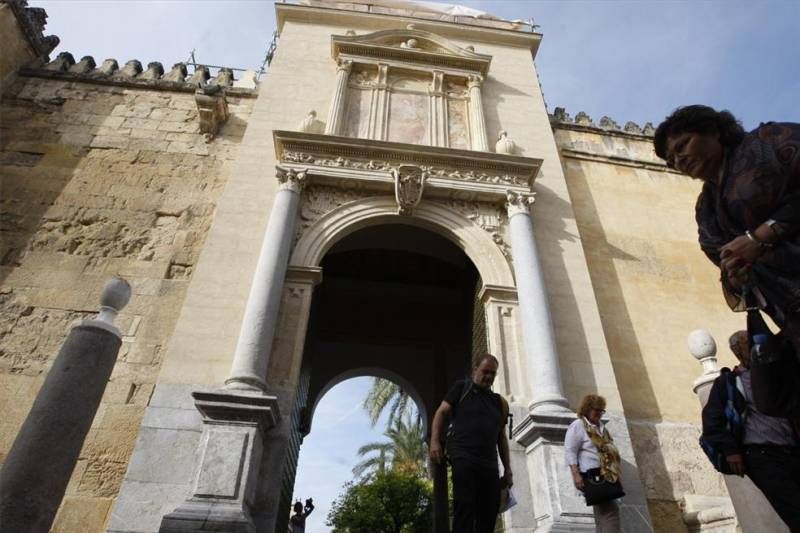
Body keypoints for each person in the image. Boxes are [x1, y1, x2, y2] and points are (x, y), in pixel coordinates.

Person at [653, 107, 800, 348]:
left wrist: (761, 236)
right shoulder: (706, 210)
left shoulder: (768, 141)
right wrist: (735, 276)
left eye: (682, 146)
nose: (678, 161)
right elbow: (725, 265)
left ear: (712, 131)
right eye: (671, 160)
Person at [701, 331, 800, 531]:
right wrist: (731, 450)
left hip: (792, 448)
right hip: (760, 455)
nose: (756, 345)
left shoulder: (774, 374)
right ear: (737, 350)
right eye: (749, 342)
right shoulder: (727, 383)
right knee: (793, 509)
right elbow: (712, 421)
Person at [429, 354, 512, 533]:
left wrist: (508, 468)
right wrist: (435, 441)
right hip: (462, 456)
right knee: (465, 506)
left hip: (489, 463)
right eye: (485, 371)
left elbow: (501, 438)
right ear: (475, 370)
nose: (489, 376)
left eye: (493, 373)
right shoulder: (462, 388)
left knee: (489, 512)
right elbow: (441, 412)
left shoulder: (498, 403)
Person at [564, 394, 622, 533]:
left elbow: (610, 451)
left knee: (602, 513)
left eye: (602, 411)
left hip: (608, 474)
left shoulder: (602, 428)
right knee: (610, 511)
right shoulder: (578, 426)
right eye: (597, 410)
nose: (600, 414)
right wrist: (576, 475)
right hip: (592, 476)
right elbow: (570, 451)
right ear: (587, 409)